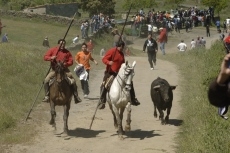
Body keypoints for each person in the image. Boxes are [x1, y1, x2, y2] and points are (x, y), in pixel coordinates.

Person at [98, 41, 140, 109]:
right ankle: (102, 101)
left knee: (130, 83)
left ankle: (133, 99)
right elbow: (104, 59)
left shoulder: (121, 54)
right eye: (121, 47)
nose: (122, 48)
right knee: (104, 84)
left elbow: (123, 64)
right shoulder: (112, 51)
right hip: (110, 72)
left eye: (123, 47)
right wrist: (109, 62)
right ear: (118, 46)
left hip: (119, 73)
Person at [42, 39, 82, 103]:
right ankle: (47, 96)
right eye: (61, 44)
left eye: (63, 44)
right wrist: (51, 58)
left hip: (65, 70)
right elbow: (45, 57)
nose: (62, 45)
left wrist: (65, 64)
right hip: (55, 70)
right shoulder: (53, 50)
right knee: (46, 80)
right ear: (58, 44)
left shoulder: (67, 52)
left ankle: (76, 96)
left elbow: (71, 61)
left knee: (73, 81)